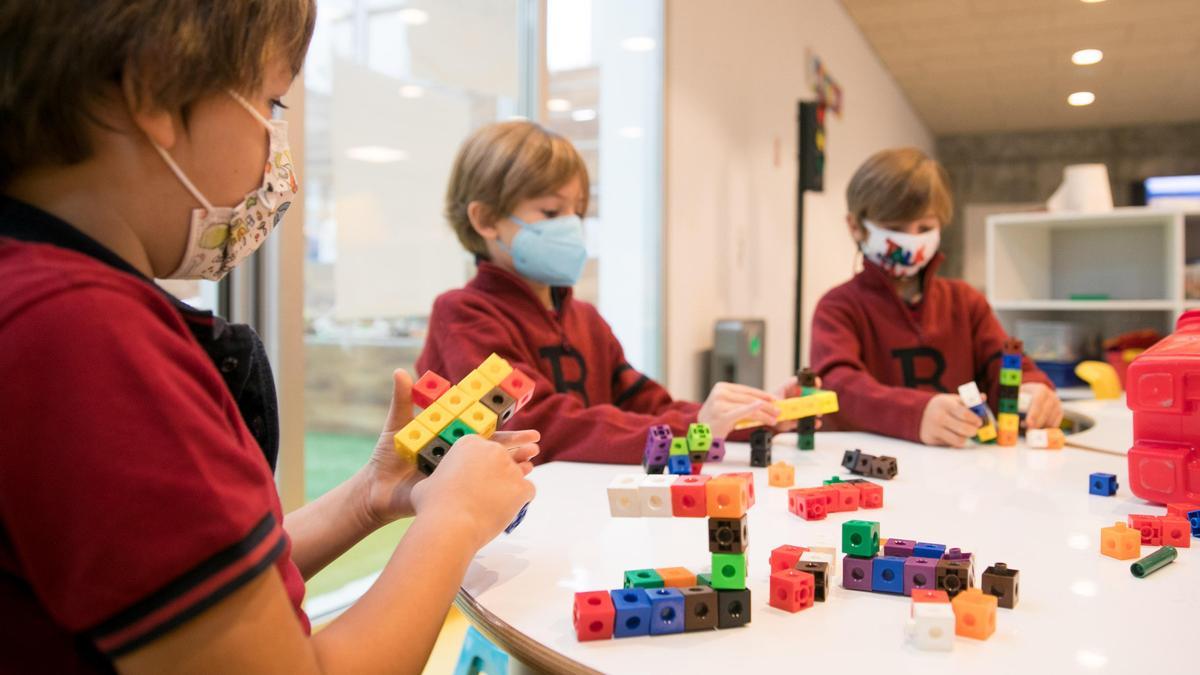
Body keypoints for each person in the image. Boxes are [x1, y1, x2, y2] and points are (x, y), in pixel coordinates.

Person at [0, 2, 534, 671]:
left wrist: (369, 496)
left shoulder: (37, 297)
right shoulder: (85, 335)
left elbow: (209, 594)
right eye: (270, 103)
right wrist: (452, 520)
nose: (276, 155)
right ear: (154, 87)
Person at [416, 120, 792, 464]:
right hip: (506, 525)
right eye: (550, 212)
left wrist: (752, 417)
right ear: (484, 220)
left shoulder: (585, 319)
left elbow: (648, 405)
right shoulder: (463, 314)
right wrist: (692, 434)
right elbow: (542, 427)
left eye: (575, 213)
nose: (570, 226)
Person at [810, 147, 1063, 447]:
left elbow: (1005, 366)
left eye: (925, 227)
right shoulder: (838, 306)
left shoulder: (966, 302)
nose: (911, 239)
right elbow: (837, 386)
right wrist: (915, 414)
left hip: (961, 475)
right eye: (894, 228)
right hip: (871, 468)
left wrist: (1033, 391)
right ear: (855, 227)